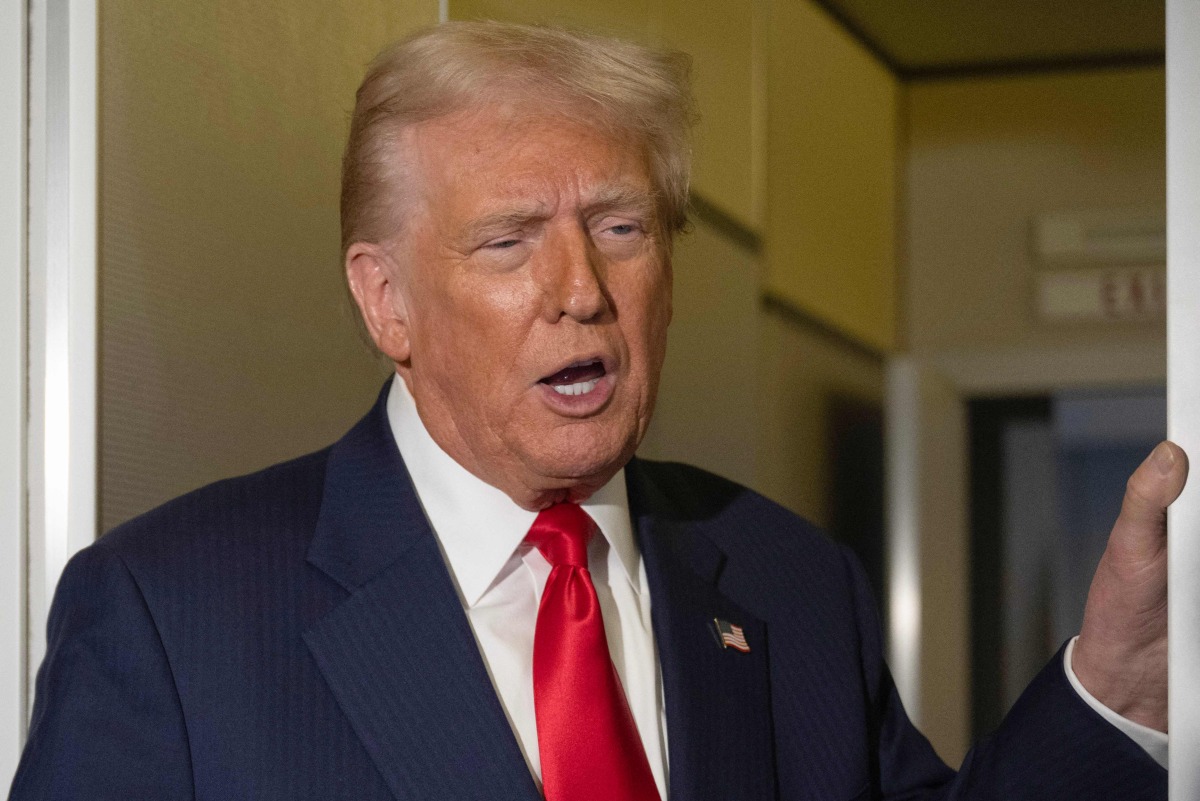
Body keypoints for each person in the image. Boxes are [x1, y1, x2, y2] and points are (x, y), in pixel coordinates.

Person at [9, 20, 1186, 801]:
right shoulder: (172, 615)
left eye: (620, 230)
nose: (581, 292)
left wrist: (1117, 688)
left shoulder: (786, 583)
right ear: (386, 300)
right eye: (509, 242)